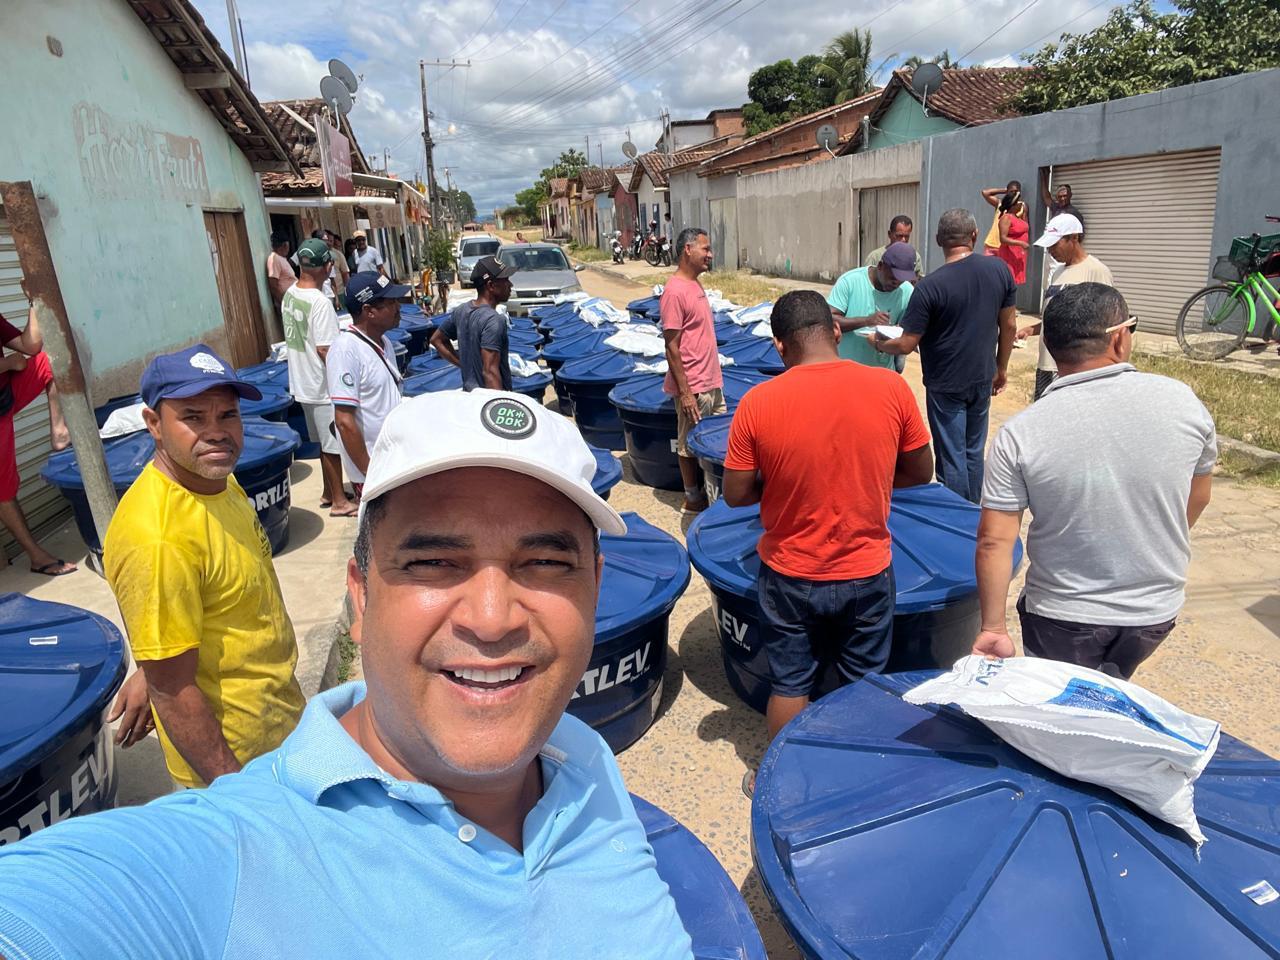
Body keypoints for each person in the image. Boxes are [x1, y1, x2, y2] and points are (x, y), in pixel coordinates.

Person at [0, 389, 695, 959]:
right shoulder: (236, 858)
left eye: (544, 562)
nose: (492, 619)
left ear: (594, 587)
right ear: (360, 599)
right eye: (433, 563)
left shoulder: (580, 754)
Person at [723, 291, 932, 793]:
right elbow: (921, 471)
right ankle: (855, 780)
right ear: (836, 331)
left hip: (789, 573)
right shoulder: (890, 388)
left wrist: (784, 484)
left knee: (790, 681)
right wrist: (867, 478)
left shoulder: (757, 403)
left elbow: (735, 494)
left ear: (779, 345)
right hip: (868, 570)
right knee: (863, 683)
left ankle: (783, 779)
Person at [973, 284, 1216, 679]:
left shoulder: (1021, 432)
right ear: (1119, 338)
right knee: (1112, 687)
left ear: (1050, 346)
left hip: (1061, 616)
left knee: (1062, 704)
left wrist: (993, 628)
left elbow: (994, 540)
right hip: (1153, 613)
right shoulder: (1183, 401)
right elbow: (1198, 496)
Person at [99, 344, 305, 790]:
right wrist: (236, 792)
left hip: (280, 725)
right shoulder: (158, 538)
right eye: (193, 417)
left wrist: (153, 665)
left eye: (227, 415)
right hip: (238, 763)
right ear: (154, 424)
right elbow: (174, 692)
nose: (216, 433)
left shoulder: (217, 480)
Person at [873, 209, 1017, 503]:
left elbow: (906, 343)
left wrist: (878, 343)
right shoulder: (1000, 270)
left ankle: (955, 517)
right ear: (974, 236)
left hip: (945, 384)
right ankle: (973, 511)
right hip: (982, 376)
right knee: (973, 452)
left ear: (939, 240)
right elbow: (1010, 325)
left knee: (951, 457)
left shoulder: (929, 287)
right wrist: (1000, 368)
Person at [0, 285, 74, 576]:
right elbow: (16, 359)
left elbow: (30, 346)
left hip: (6, 395)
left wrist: (34, 301)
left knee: (51, 356)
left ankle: (59, 430)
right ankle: (36, 556)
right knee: (3, 490)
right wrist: (8, 363)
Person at [282, 238, 357, 517]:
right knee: (333, 445)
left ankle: (329, 491)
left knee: (324, 443)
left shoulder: (291, 294)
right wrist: (347, 381)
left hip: (302, 380)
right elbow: (326, 350)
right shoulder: (320, 303)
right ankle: (339, 501)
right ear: (326, 267)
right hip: (321, 384)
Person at [1017, 214, 1113, 400]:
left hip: (1072, 369)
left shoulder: (1097, 271)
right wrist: (1032, 329)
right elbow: (1058, 317)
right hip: (1046, 364)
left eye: (1055, 244)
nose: (1050, 250)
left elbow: (1107, 323)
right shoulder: (1058, 273)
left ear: (1074, 238)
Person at [662, 227, 723, 514]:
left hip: (711, 381)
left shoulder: (694, 284)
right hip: (694, 385)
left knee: (718, 438)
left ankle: (716, 492)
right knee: (688, 444)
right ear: (688, 249)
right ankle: (693, 497)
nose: (710, 254)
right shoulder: (674, 291)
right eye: (705, 249)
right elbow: (671, 347)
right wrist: (686, 393)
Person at [327, 273, 406, 493]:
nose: (398, 307)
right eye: (391, 302)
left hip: (393, 462)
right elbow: (344, 421)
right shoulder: (346, 350)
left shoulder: (384, 342)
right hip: (373, 472)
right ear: (369, 311)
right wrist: (370, 473)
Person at [827, 242, 917, 372]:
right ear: (880, 266)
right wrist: (867, 321)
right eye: (893, 277)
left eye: (901, 280)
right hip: (846, 371)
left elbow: (908, 331)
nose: (896, 283)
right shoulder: (850, 281)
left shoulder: (907, 291)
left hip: (882, 373)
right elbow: (829, 321)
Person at [431, 256, 516, 391]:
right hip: (488, 399)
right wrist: (499, 403)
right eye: (505, 280)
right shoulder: (494, 320)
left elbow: (437, 340)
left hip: (470, 396)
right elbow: (490, 372)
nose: (510, 285)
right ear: (491, 286)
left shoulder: (461, 311)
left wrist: (463, 365)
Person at [982, 186, 1030, 285]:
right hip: (1008, 253)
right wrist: (1021, 243)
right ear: (1013, 205)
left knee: (1012, 283)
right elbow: (1003, 238)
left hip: (1017, 254)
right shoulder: (1006, 218)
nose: (1020, 204)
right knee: (1004, 280)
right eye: (1018, 203)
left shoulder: (1017, 217)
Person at [981, 180, 1021, 256]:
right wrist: (1004, 190)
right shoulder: (1000, 203)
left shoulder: (1021, 207)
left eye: (1016, 191)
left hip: (1006, 247)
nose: (1013, 193)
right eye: (1011, 191)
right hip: (991, 244)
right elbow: (985, 193)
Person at [266, 232, 296, 312]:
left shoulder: (281, 258)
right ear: (285, 245)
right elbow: (273, 286)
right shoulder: (274, 259)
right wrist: (285, 304)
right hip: (288, 305)